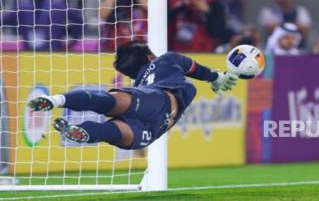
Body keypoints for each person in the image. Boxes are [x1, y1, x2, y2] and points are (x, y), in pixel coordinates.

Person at [27, 41, 238, 149]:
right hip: (159, 109)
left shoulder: (138, 83)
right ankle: (78, 126)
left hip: (152, 123)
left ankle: (61, 105)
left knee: (112, 120)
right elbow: (194, 68)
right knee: (112, 111)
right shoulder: (165, 60)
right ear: (149, 55)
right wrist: (216, 77)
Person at [1, 0, 83, 51]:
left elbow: (79, 21)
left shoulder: (58, 6)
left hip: (53, 52)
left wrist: (72, 42)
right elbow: (4, 20)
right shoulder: (23, 7)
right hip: (29, 54)